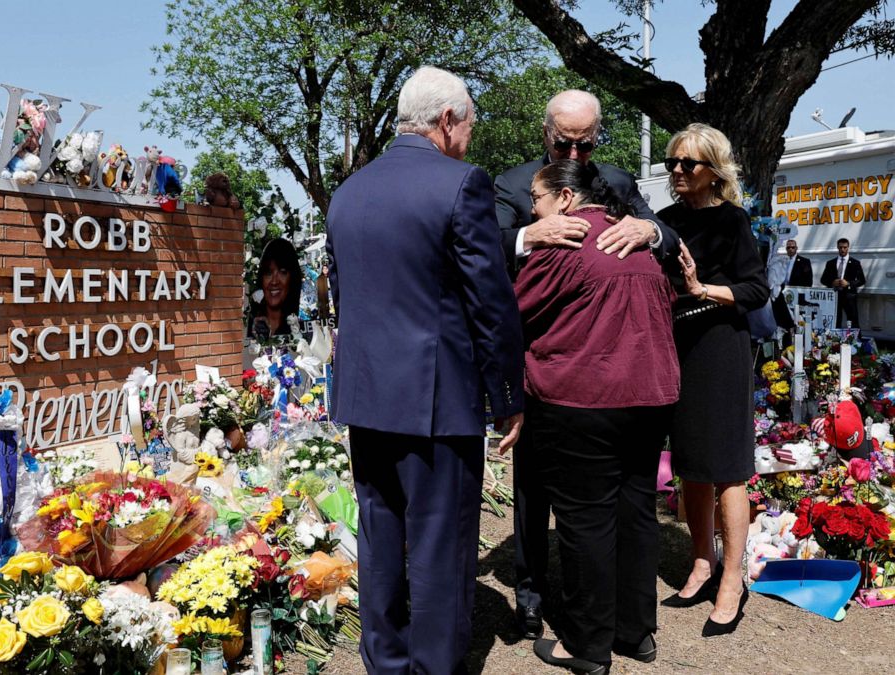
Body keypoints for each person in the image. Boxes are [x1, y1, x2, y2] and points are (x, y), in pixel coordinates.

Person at [325, 65, 525, 675]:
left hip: (366, 397)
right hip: (437, 401)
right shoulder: (462, 183)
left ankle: (385, 662)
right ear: (445, 121)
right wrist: (509, 394)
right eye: (468, 125)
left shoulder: (348, 191)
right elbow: (489, 302)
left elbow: (345, 295)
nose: (469, 138)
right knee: (440, 546)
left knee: (380, 539)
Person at [494, 89, 681, 639]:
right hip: (544, 356)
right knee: (532, 489)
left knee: (601, 508)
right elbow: (482, 244)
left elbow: (667, 237)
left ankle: (603, 614)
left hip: (600, 370)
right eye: (563, 141)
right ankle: (532, 596)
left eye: (584, 141)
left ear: (597, 135)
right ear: (544, 131)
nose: (573, 153)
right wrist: (531, 233)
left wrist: (652, 231)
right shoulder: (512, 184)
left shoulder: (617, 183)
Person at [657, 123, 769, 637]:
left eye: (689, 164)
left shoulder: (732, 221)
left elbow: (755, 290)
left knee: (726, 466)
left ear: (712, 171)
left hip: (722, 348)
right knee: (690, 464)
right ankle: (701, 562)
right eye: (672, 163)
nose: (678, 171)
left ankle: (731, 577)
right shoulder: (661, 223)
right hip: (677, 349)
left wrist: (703, 288)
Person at [249, 238, 303, 339]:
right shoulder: (251, 327)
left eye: (282, 272)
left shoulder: (298, 327)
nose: (274, 281)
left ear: (292, 278)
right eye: (268, 273)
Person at [820, 238, 866, 328]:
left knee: (853, 321)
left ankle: (855, 340)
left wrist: (848, 283)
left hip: (849, 297)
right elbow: (823, 280)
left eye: (845, 247)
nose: (842, 250)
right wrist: (832, 282)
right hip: (835, 297)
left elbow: (862, 280)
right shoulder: (830, 263)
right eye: (840, 247)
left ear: (848, 247)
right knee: (835, 321)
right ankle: (834, 340)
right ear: (837, 247)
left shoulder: (855, 263)